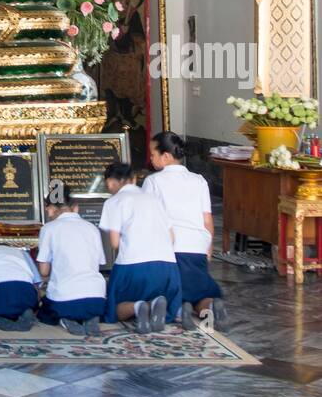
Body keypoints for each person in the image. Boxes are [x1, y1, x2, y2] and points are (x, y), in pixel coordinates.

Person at [143, 131, 227, 329]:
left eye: (153, 154)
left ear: (165, 156)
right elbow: (207, 219)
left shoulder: (153, 181)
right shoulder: (198, 180)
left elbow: (147, 219)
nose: (151, 158)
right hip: (197, 247)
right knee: (201, 292)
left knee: (165, 290)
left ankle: (181, 311)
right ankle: (209, 309)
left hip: (168, 250)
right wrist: (208, 249)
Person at [99, 161, 182, 331]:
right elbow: (172, 237)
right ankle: (155, 305)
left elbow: (115, 243)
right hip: (167, 269)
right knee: (161, 296)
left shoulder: (113, 202)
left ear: (110, 182)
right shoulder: (154, 199)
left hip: (133, 268)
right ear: (134, 179)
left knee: (112, 309)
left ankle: (138, 307)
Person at [36, 186, 107, 336]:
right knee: (84, 299)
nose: (48, 214)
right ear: (74, 207)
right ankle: (90, 317)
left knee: (44, 312)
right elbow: (99, 263)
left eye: (47, 209)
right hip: (97, 298)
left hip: (65, 299)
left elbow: (44, 271)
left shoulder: (49, 228)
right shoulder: (91, 228)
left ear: (52, 207)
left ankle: (66, 319)